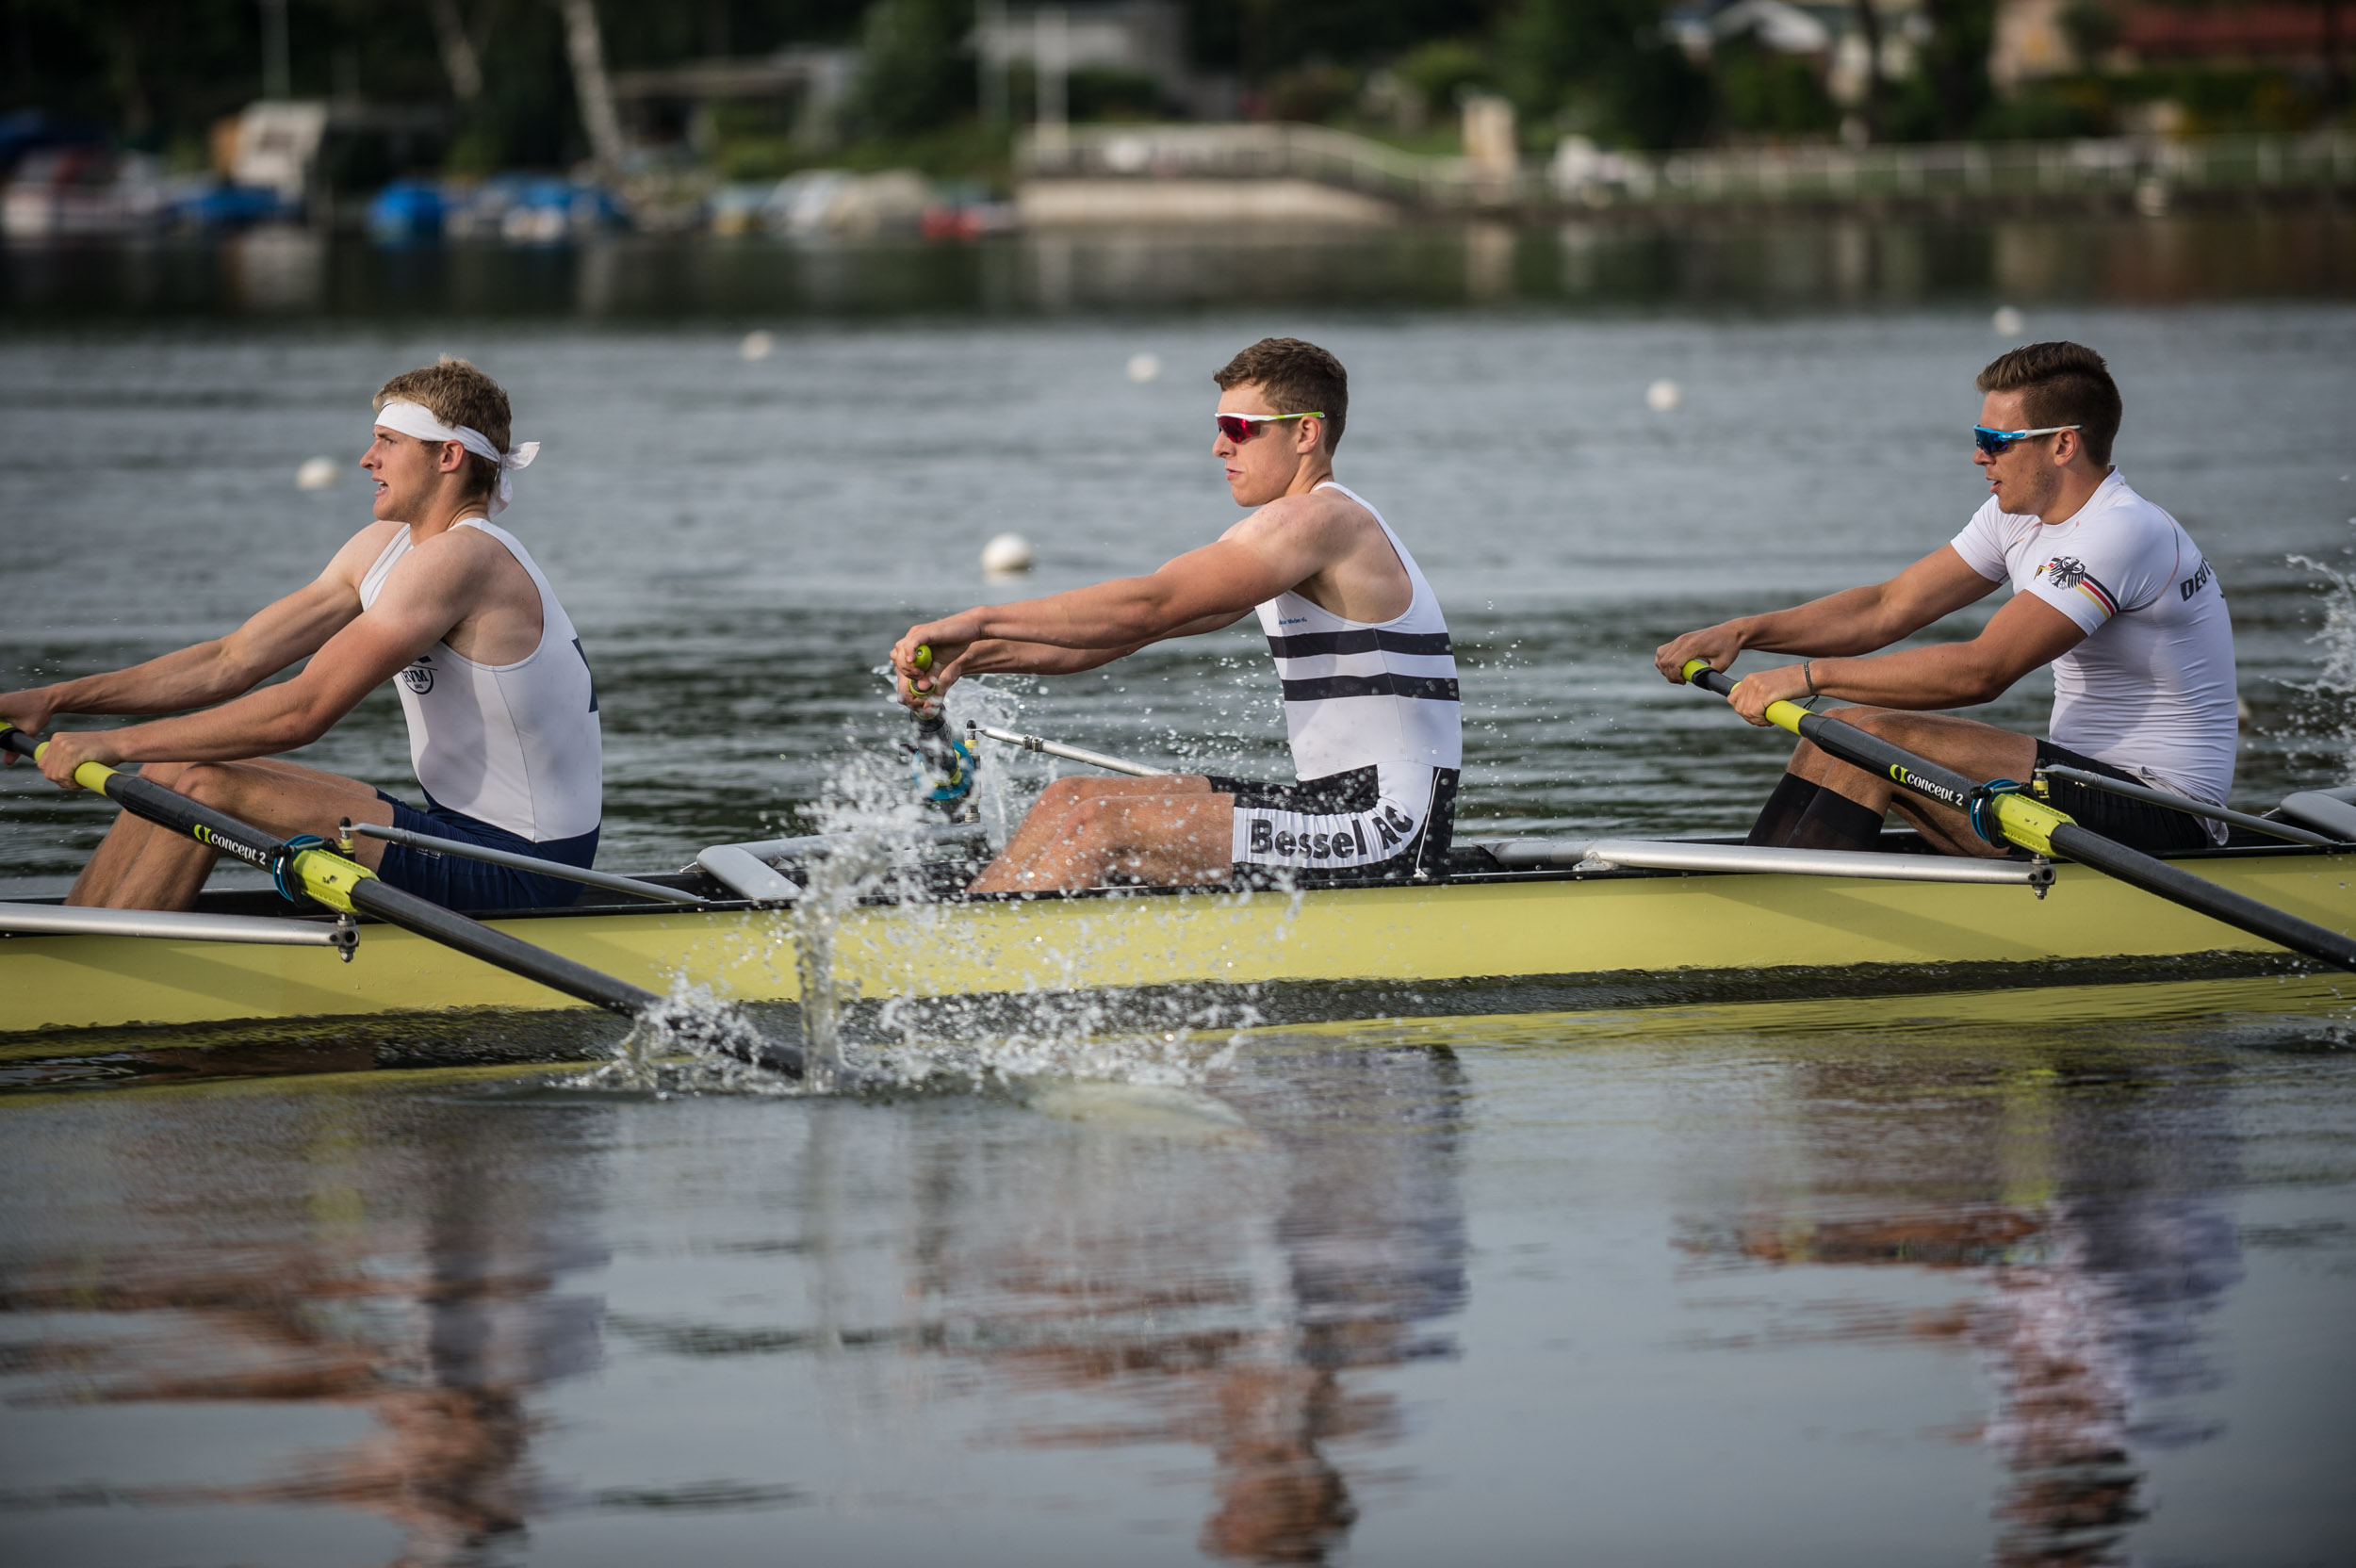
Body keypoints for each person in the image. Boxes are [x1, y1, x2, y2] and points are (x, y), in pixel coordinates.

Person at [0, 357, 602, 911]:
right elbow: (229, 661)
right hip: (455, 832)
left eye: (388, 442)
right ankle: (85, 930)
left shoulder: (463, 559)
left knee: (205, 786)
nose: (368, 459)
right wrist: (54, 699)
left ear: (448, 457)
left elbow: (304, 712)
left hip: (523, 867)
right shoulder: (384, 549)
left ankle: (104, 983)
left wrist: (115, 745)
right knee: (174, 762)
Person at [889, 336, 1461, 893]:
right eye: (1219, 428)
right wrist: (970, 658)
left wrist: (983, 621)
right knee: (1069, 800)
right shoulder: (1284, 539)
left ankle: (973, 972)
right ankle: (973, 939)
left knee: (1098, 827)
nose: (1219, 447)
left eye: (1238, 428)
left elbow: (1147, 606)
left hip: (1389, 825)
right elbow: (1119, 636)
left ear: (1306, 432)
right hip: (1331, 805)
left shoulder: (1321, 522)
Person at [1654, 340, 2235, 858]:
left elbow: (1984, 672)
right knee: (1841, 728)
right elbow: (1888, 606)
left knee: (1869, 735)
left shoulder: (2123, 531)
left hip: (2165, 810)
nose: (1979, 457)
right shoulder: (2017, 518)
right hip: (2076, 791)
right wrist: (1744, 632)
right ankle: (1772, 877)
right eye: (1978, 439)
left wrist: (1805, 677)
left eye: (1995, 441)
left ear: (2063, 445)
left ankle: (1784, 922)